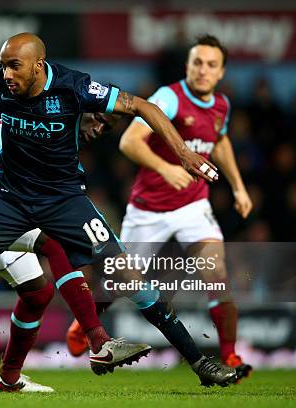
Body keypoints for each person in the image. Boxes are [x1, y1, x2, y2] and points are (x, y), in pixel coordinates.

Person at [0, 15, 233, 387]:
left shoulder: (74, 87)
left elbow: (143, 107)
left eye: (15, 66)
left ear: (38, 66)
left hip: (65, 202)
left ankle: (200, 363)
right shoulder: (0, 79)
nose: (7, 74)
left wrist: (184, 154)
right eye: (5, 65)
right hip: (10, 200)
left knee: (130, 279)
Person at [66, 35, 253, 381]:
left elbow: (220, 141)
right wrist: (167, 167)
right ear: (187, 66)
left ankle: (229, 354)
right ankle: (83, 326)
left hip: (194, 206)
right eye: (197, 62)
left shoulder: (221, 106)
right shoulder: (168, 97)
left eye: (211, 64)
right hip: (148, 210)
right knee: (118, 283)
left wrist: (238, 187)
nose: (203, 70)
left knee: (217, 272)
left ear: (222, 71)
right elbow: (129, 141)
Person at [0, 116, 122, 392]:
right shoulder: (34, 120)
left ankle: (7, 377)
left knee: (37, 295)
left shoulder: (62, 143)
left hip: (3, 204)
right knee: (54, 242)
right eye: (97, 120)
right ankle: (97, 339)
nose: (98, 130)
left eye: (106, 127)